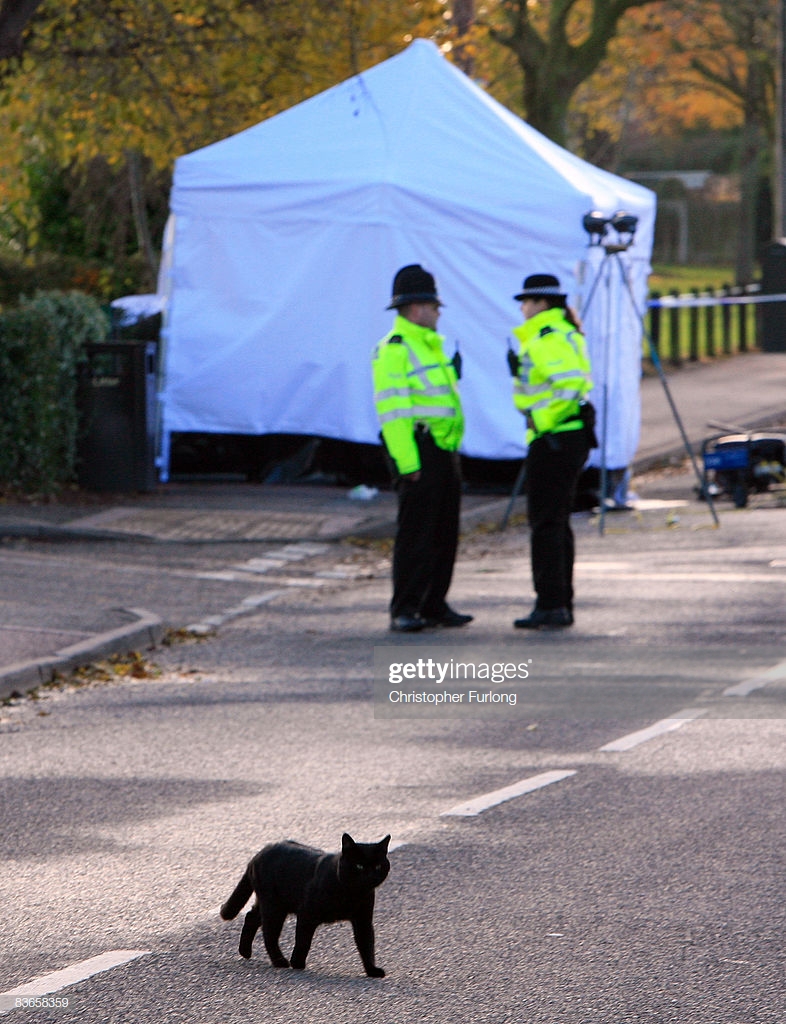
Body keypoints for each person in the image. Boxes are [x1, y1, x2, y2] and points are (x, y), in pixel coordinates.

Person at [372, 264, 473, 633]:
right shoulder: (394, 350)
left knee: (444, 532)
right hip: (418, 448)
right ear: (417, 308)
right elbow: (394, 412)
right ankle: (405, 607)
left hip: (443, 450)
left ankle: (434, 603)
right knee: (415, 533)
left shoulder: (431, 347)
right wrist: (407, 463)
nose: (439, 312)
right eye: (435, 306)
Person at [507, 273, 594, 629]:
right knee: (556, 523)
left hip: (554, 438)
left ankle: (550, 604)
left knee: (545, 524)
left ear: (542, 303)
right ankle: (559, 602)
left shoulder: (546, 335)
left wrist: (539, 420)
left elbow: (571, 385)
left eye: (526, 301)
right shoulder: (559, 330)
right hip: (566, 437)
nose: (523, 308)